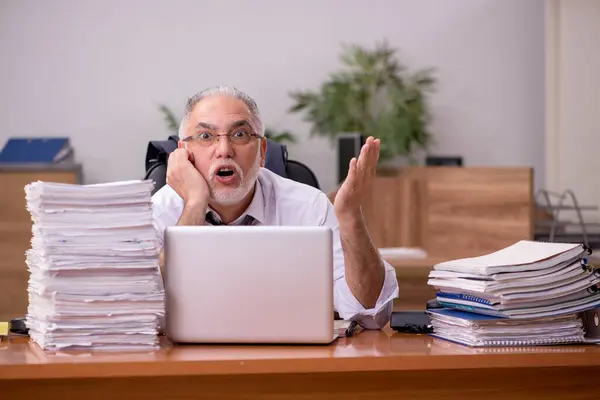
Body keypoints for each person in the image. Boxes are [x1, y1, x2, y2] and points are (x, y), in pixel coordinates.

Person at [151, 86, 399, 329]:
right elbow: (147, 317)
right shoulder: (157, 212)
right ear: (183, 153)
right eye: (206, 136)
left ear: (262, 152)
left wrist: (350, 216)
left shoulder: (308, 207)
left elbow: (370, 312)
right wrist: (194, 204)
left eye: (240, 135)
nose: (224, 151)